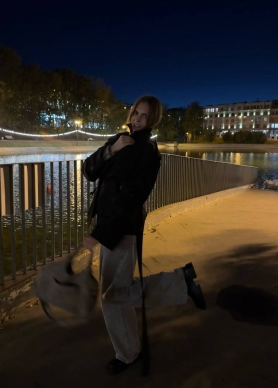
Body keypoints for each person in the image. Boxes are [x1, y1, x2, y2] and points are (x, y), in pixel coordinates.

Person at [82, 95, 206, 376]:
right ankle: (130, 349)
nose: (137, 119)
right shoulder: (119, 140)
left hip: (121, 229)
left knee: (113, 296)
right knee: (116, 294)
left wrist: (100, 233)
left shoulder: (147, 152)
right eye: (136, 113)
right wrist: (110, 150)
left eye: (144, 116)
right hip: (111, 225)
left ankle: (178, 284)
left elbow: (132, 197)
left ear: (152, 120)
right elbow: (89, 170)